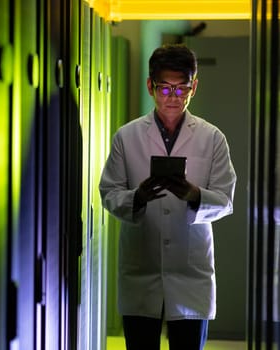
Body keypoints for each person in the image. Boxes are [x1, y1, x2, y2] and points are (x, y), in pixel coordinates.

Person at [99, 44, 236, 350]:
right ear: (151, 85)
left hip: (191, 276)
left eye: (182, 88)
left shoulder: (212, 138)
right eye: (164, 88)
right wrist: (138, 197)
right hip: (140, 272)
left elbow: (226, 198)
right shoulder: (127, 136)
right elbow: (109, 192)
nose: (173, 97)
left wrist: (195, 195)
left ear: (194, 86)